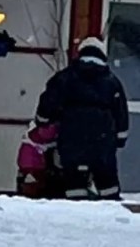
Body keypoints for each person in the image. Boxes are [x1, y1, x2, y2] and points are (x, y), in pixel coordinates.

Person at [34, 38, 129, 200]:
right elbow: (121, 113)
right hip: (103, 143)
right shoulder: (112, 82)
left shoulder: (64, 78)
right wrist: (120, 139)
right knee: (108, 185)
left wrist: (42, 121)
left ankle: (77, 208)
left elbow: (48, 104)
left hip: (72, 139)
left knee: (74, 185)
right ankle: (111, 209)